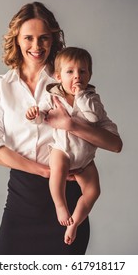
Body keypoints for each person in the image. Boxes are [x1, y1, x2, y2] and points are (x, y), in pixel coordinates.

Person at [0, 2, 122, 255]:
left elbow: (114, 143)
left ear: (53, 39)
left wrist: (70, 124)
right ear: (17, 40)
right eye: (29, 38)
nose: (36, 46)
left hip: (69, 199)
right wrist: (46, 172)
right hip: (22, 199)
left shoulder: (69, 80)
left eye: (44, 38)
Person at [25, 46, 118, 245]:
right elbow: (43, 116)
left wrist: (81, 96)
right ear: (58, 76)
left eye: (82, 72)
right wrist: (35, 115)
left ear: (89, 75)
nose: (77, 77)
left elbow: (93, 118)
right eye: (70, 72)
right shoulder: (52, 97)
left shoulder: (92, 98)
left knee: (93, 192)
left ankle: (74, 222)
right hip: (64, 150)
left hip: (85, 159)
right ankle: (61, 205)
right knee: (57, 170)